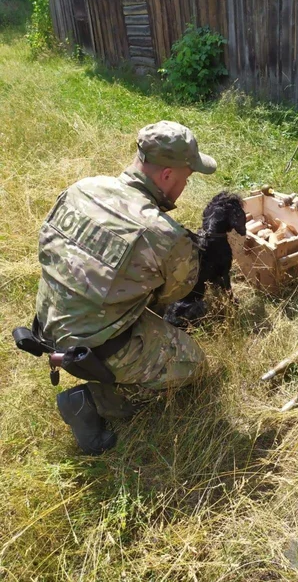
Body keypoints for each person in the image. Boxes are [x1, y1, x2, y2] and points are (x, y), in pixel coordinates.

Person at [35, 121, 217, 455]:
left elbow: (49, 251)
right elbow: (170, 297)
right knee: (193, 365)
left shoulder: (83, 188)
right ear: (167, 175)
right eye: (186, 178)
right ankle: (93, 400)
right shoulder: (163, 234)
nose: (185, 186)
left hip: (47, 318)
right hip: (94, 343)